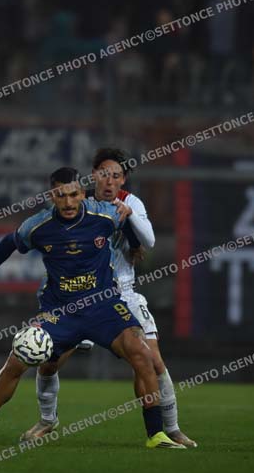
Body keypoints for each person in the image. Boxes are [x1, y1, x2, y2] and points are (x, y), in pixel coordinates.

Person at [0, 167, 185, 449]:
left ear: (83, 194)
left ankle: (156, 434)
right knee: (18, 359)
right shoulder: (38, 226)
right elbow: (9, 242)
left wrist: (134, 247)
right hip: (60, 312)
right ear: (52, 196)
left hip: (104, 307)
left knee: (142, 355)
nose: (68, 202)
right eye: (61, 196)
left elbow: (127, 227)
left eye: (73, 195)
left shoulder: (105, 214)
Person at [21, 148, 197, 448]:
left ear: (123, 179)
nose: (109, 180)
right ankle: (47, 420)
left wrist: (129, 219)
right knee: (49, 361)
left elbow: (149, 240)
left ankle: (170, 429)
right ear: (93, 176)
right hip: (81, 297)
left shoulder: (131, 202)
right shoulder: (79, 203)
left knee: (152, 361)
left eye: (116, 175)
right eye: (104, 174)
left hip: (123, 294)